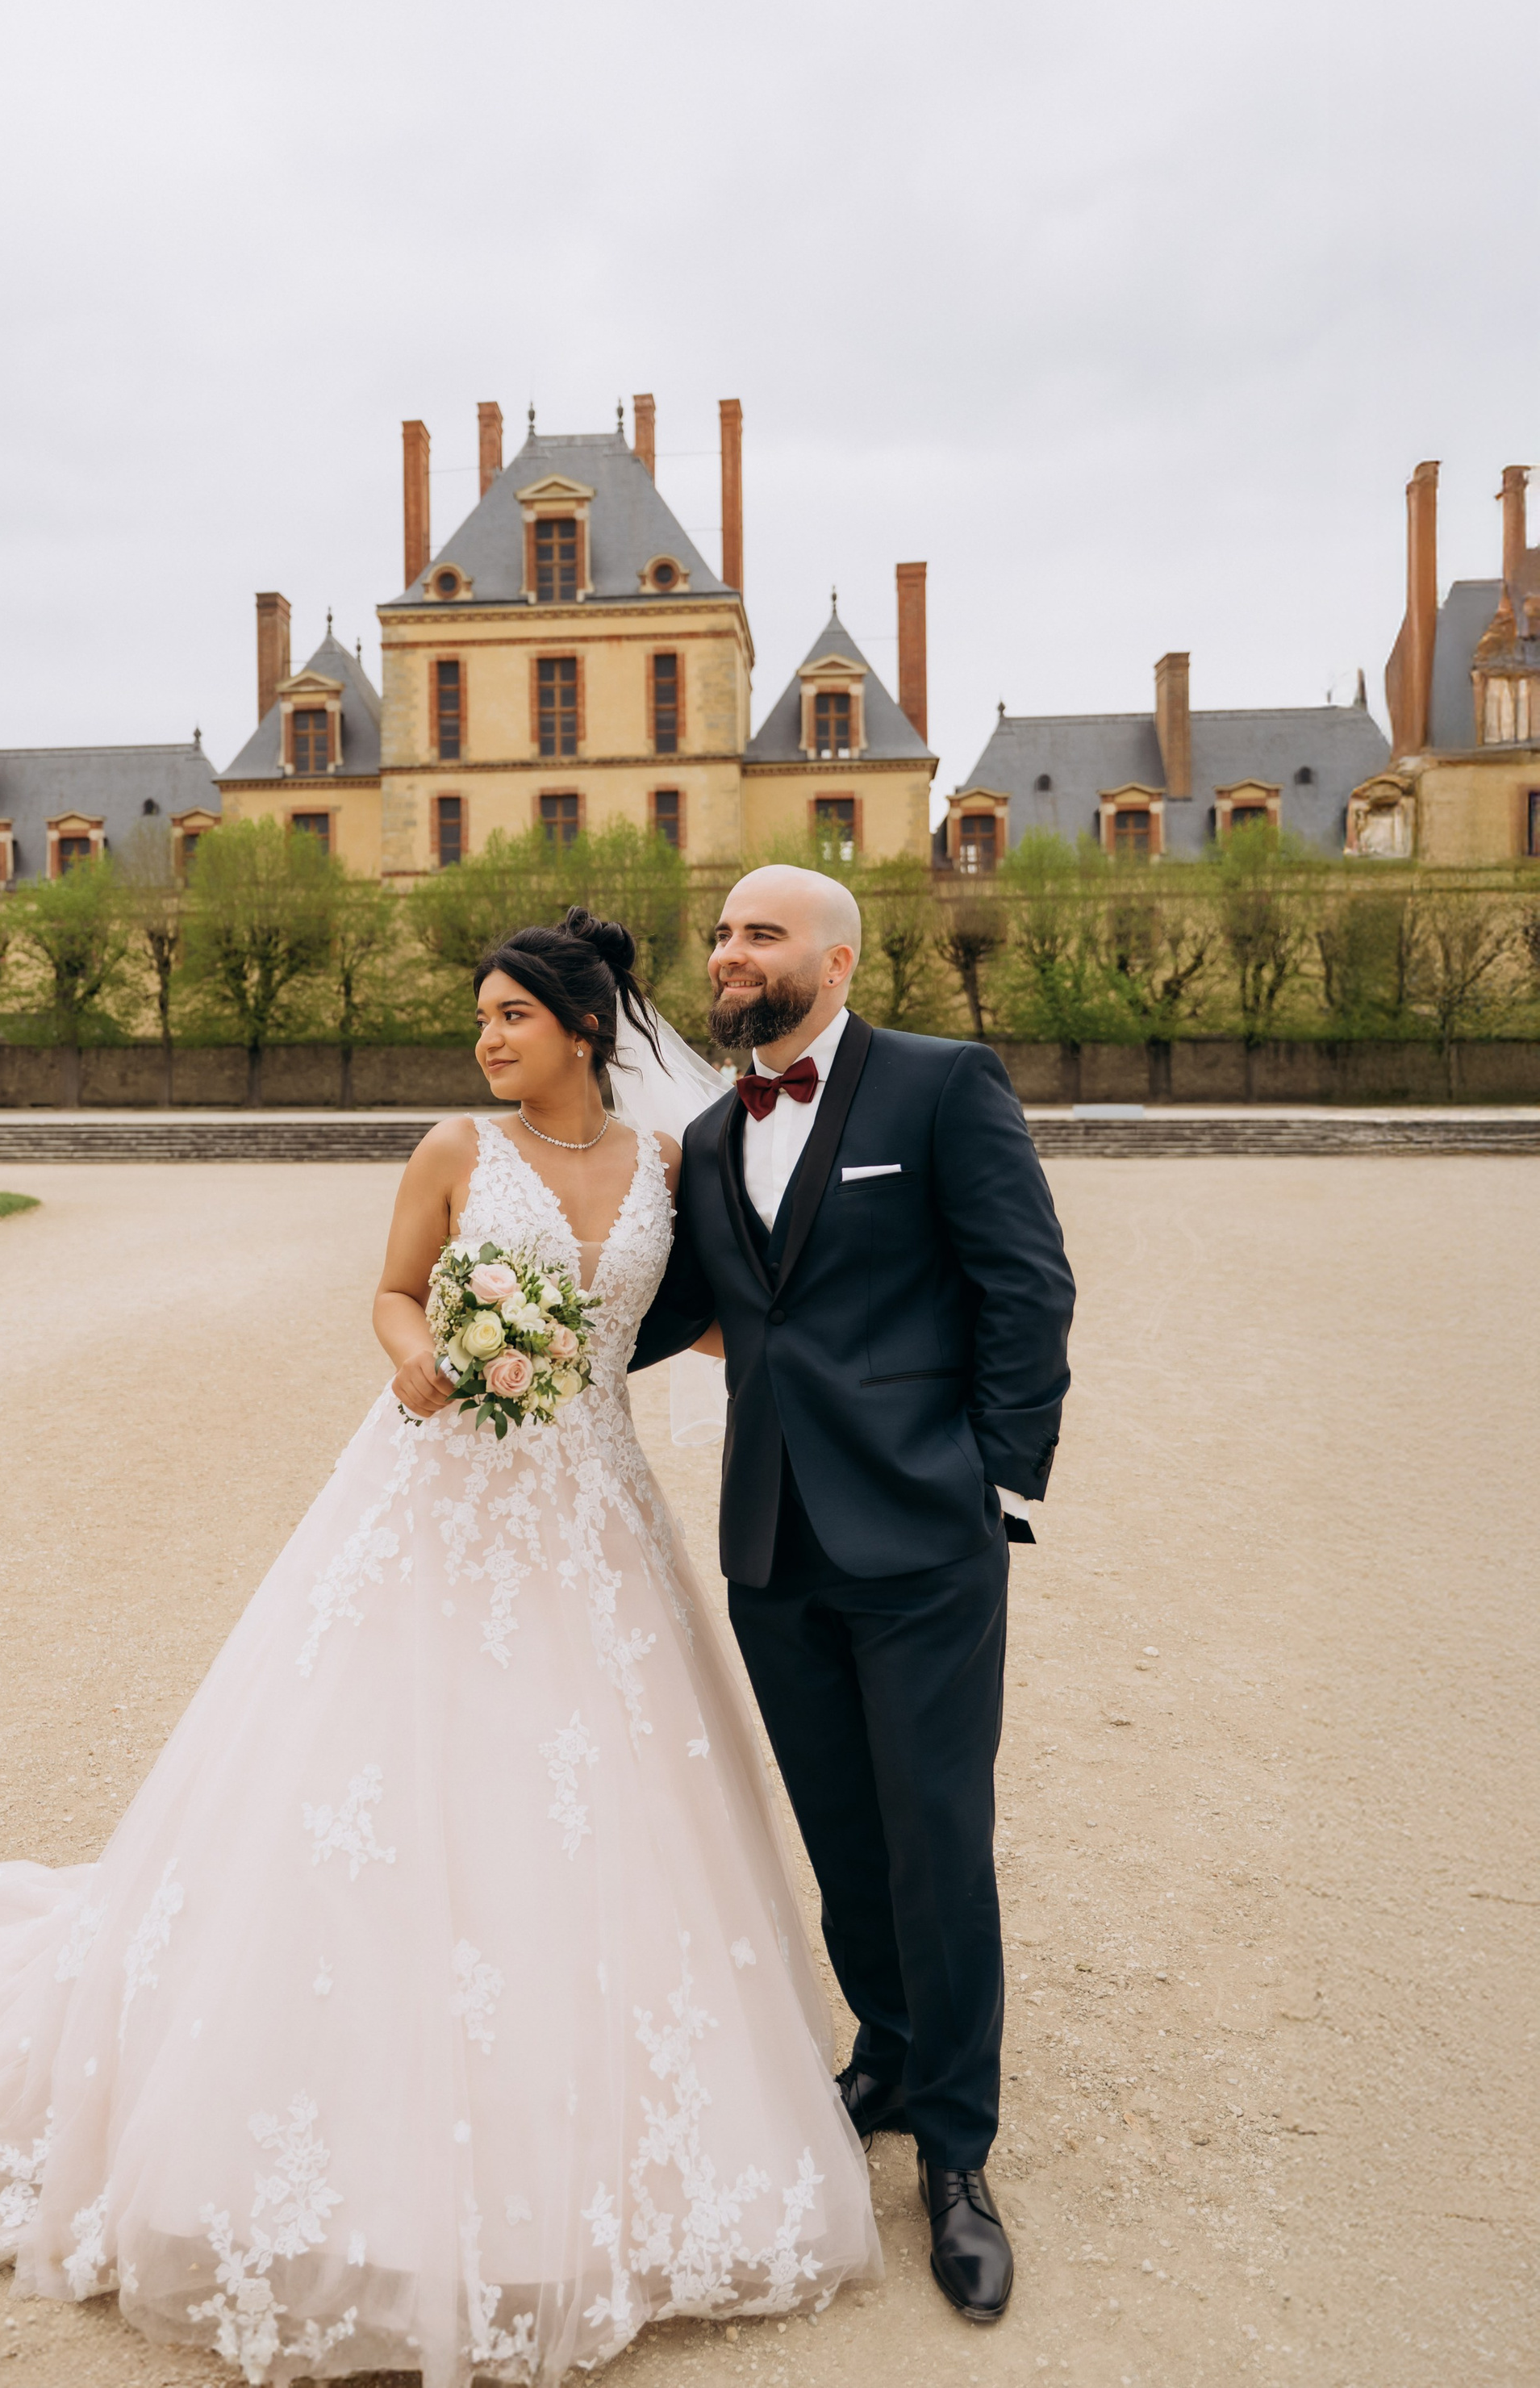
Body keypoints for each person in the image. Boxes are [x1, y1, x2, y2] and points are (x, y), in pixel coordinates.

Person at [0, 908, 880, 2388]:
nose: (486, 1040)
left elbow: (715, 1322)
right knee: (377, 1790)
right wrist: (416, 1356)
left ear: (583, 1030)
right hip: (440, 1500)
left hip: (595, 1517)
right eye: (481, 1020)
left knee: (596, 1805)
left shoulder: (664, 1167)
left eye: (509, 1017)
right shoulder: (454, 1154)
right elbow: (395, 1292)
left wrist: (848, 1353)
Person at [630, 865, 1075, 2327]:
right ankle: (883, 2049)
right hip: (774, 1545)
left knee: (939, 1840)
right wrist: (520, 1326)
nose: (728, 953)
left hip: (925, 1542)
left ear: (834, 956)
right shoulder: (706, 1136)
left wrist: (996, 1483)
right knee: (841, 1834)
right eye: (719, 934)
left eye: (760, 932)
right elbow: (684, 1304)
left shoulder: (945, 1088)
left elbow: (1026, 1286)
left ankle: (956, 2154)